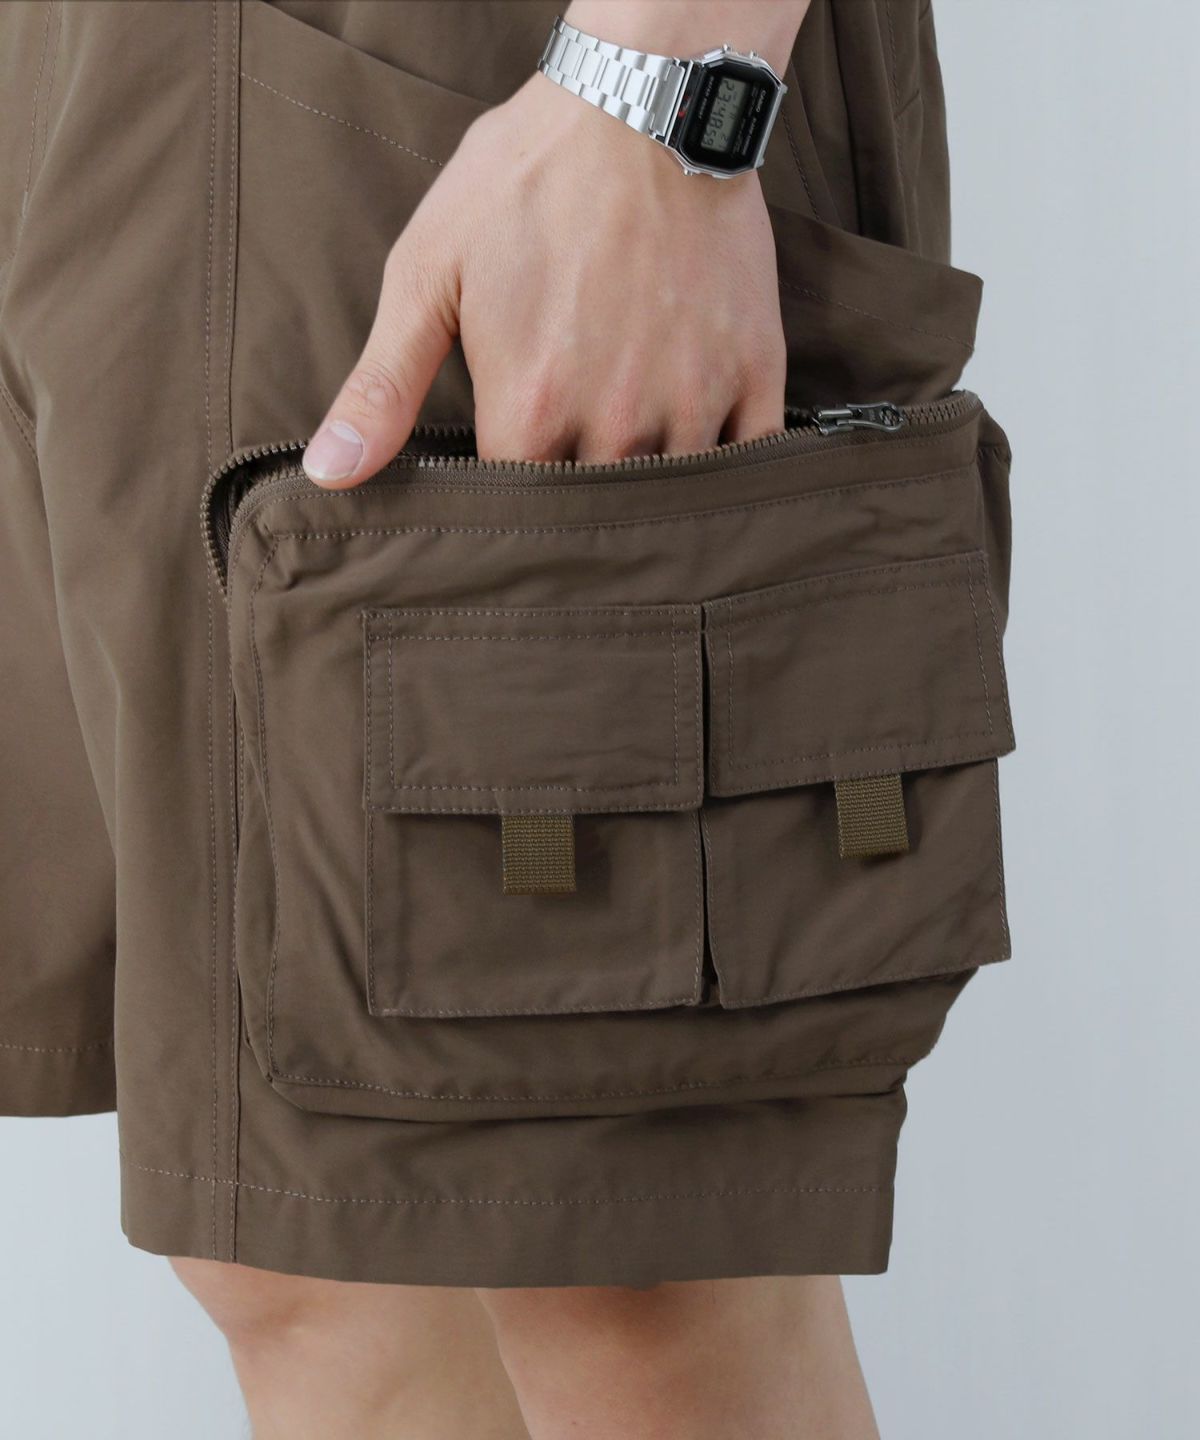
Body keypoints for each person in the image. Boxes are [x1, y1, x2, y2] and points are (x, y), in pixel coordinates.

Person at [1, 3, 1008, 1436]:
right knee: (292, 1244)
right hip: (86, 78)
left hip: (504, 59)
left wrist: (664, 90)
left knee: (622, 1244)